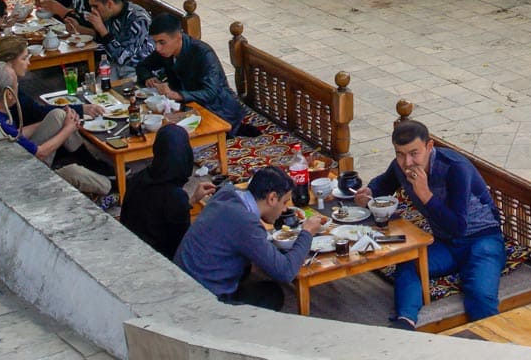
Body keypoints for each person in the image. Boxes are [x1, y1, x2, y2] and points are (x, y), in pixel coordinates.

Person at [351, 120, 508, 328]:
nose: (407, 162)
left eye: (414, 153)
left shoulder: (454, 168)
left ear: (429, 147)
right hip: (445, 243)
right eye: (400, 153)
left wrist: (425, 194)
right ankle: (404, 323)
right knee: (408, 263)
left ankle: (497, 346)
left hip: (483, 240)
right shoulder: (401, 166)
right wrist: (369, 192)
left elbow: (458, 226)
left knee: (479, 295)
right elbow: (383, 183)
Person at [174, 165, 326, 308]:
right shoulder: (244, 222)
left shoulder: (227, 193)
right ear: (272, 198)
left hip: (182, 281)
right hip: (204, 299)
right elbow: (285, 272)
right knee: (273, 294)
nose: (285, 209)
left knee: (252, 266)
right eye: (284, 202)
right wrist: (307, 233)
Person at [0, 63, 110, 196]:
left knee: (57, 115)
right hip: (23, 180)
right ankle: (111, 186)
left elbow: (18, 135)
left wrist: (59, 122)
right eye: (16, 85)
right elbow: (40, 153)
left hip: (12, 160)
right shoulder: (0, 125)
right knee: (75, 173)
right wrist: (68, 129)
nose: (18, 87)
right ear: (8, 94)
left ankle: (89, 161)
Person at [135, 14, 252, 132]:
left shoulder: (203, 54)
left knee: (171, 140)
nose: (157, 48)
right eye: (155, 42)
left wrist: (176, 95)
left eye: (161, 42)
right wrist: (148, 77)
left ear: (178, 37)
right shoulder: (165, 51)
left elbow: (210, 92)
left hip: (218, 110)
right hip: (187, 108)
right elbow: (142, 66)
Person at [120, 125, 215, 260]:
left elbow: (158, 212)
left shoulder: (139, 177)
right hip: (157, 261)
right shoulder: (174, 196)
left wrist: (193, 200)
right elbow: (182, 243)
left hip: (130, 248)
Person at [85, 0, 155, 80]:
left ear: (109, 4)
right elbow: (107, 50)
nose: (93, 11)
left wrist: (103, 32)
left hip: (138, 69)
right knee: (98, 90)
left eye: (95, 6)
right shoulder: (109, 15)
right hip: (115, 65)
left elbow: (124, 58)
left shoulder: (138, 19)